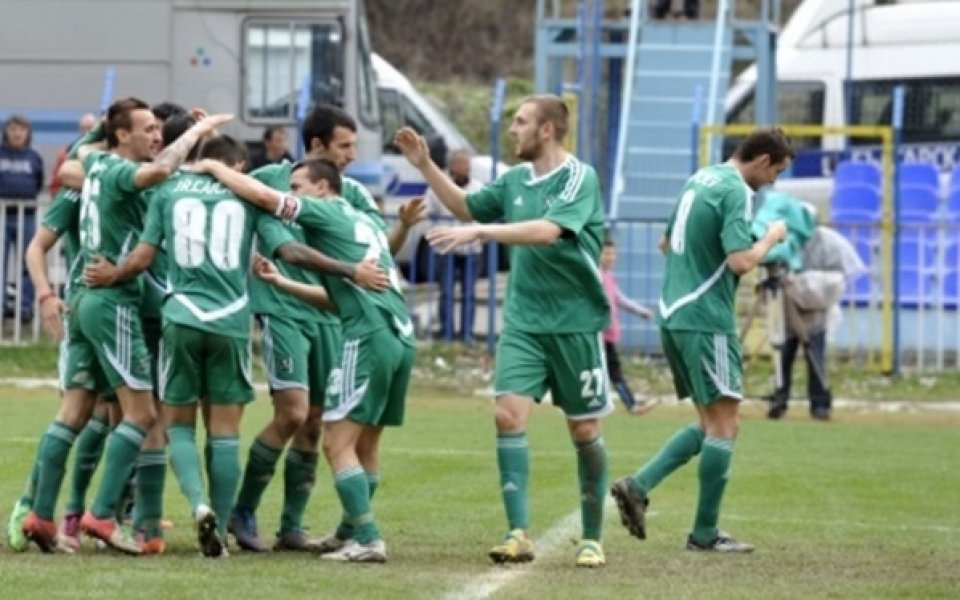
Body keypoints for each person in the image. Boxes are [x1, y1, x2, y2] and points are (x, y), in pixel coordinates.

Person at [395, 94, 612, 568]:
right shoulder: (513, 180)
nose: (513, 130)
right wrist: (427, 166)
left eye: (521, 122)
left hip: (575, 323)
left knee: (584, 429)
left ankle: (593, 536)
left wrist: (484, 234)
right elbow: (466, 208)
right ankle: (518, 533)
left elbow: (549, 230)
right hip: (524, 323)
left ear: (548, 130)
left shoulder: (580, 177)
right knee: (507, 417)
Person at [19, 98, 226, 554]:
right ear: (121, 137)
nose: (156, 136)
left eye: (158, 128)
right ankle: (102, 515)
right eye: (147, 129)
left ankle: (41, 514)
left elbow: (91, 157)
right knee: (142, 414)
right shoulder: (117, 170)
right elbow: (156, 172)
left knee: (74, 413)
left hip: (88, 301)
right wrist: (196, 132)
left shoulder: (93, 162)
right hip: (114, 303)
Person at [195, 156, 416, 563]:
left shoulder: (325, 209)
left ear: (322, 187)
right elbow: (338, 299)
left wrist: (214, 166)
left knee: (336, 440)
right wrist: (282, 283)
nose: (292, 192)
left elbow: (264, 196)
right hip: (399, 335)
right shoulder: (360, 220)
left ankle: (367, 536)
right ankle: (349, 530)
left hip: (367, 336)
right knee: (366, 443)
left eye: (298, 186)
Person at [610, 128, 793, 554]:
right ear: (762, 160)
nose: (774, 183)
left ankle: (638, 486)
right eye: (776, 172)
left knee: (711, 423)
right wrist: (771, 237)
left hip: (674, 313)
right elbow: (740, 261)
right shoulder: (736, 191)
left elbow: (663, 243)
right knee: (726, 425)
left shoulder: (701, 177)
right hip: (706, 319)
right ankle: (705, 533)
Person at [426, 148, 483, 341]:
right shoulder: (439, 186)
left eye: (466, 164)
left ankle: (467, 332)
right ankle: (446, 332)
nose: (463, 168)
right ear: (451, 166)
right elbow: (427, 210)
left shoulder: (477, 187)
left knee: (469, 293)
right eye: (459, 164)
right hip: (446, 247)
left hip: (471, 248)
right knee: (447, 292)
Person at [599, 237, 658, 415]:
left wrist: (641, 311)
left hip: (608, 334)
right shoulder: (596, 275)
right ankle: (631, 405)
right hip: (598, 333)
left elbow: (619, 299)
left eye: (613, 254)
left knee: (609, 370)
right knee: (612, 370)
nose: (610, 257)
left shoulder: (609, 277)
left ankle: (629, 403)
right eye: (606, 253)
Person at [0, 115, 44, 322]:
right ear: (6, 132)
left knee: (29, 261)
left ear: (27, 133)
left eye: (21, 129)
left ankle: (25, 307)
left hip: (26, 216)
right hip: (2, 215)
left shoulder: (34, 157)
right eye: (13, 129)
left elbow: (38, 182)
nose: (17, 133)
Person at [50, 113, 97, 197]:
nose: (86, 132)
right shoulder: (66, 152)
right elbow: (56, 182)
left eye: (90, 128)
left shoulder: (106, 153)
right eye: (83, 128)